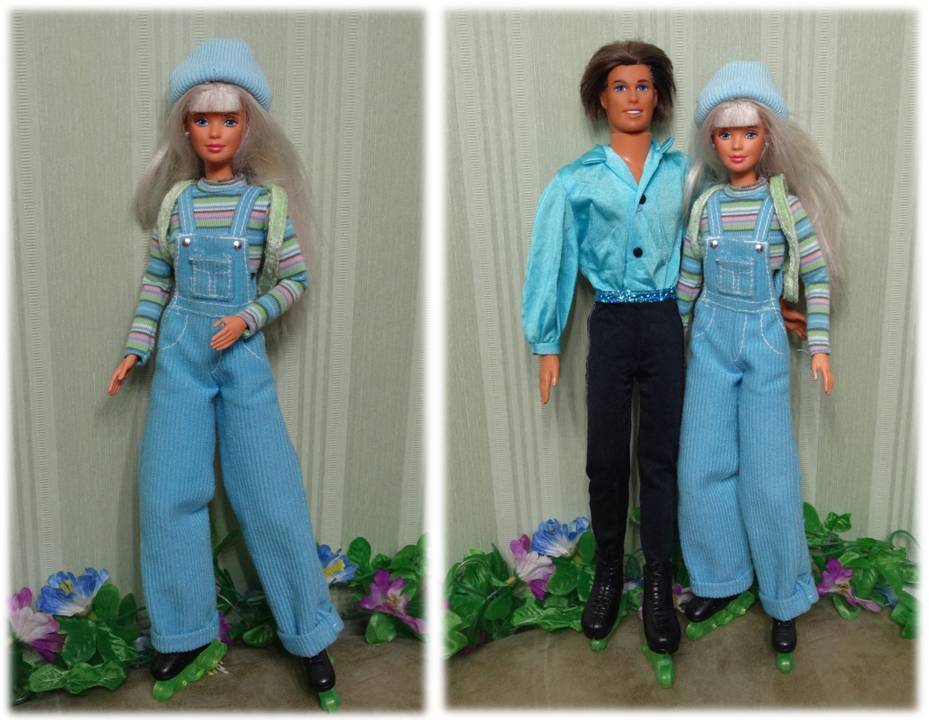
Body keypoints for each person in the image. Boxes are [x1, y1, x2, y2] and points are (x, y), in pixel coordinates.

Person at [107, 39, 342, 702]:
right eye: (202, 119)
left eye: (229, 119)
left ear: (249, 127)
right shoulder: (176, 204)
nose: (215, 132)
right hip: (181, 354)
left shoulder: (266, 204)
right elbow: (157, 282)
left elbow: (294, 279)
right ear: (185, 126)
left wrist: (249, 318)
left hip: (239, 356)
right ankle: (182, 632)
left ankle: (309, 633)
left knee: (270, 493)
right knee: (168, 490)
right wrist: (135, 347)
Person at [522, 40, 687, 655]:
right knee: (606, 458)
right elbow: (553, 259)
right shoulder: (577, 181)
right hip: (612, 322)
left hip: (667, 321)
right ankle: (609, 571)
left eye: (643, 86)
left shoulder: (685, 173)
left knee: (661, 458)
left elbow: (710, 242)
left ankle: (658, 579)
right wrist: (547, 342)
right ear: (601, 98)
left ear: (658, 96)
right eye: (620, 86)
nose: (632, 97)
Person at [676, 61, 843, 658]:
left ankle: (783, 595)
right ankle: (719, 578)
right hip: (710, 344)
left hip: (765, 344)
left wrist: (819, 345)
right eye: (725, 133)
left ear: (767, 136)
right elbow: (688, 283)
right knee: (701, 463)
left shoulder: (784, 207)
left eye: (748, 132)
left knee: (770, 474)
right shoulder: (706, 208)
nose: (737, 144)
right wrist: (673, 342)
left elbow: (816, 276)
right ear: (713, 140)